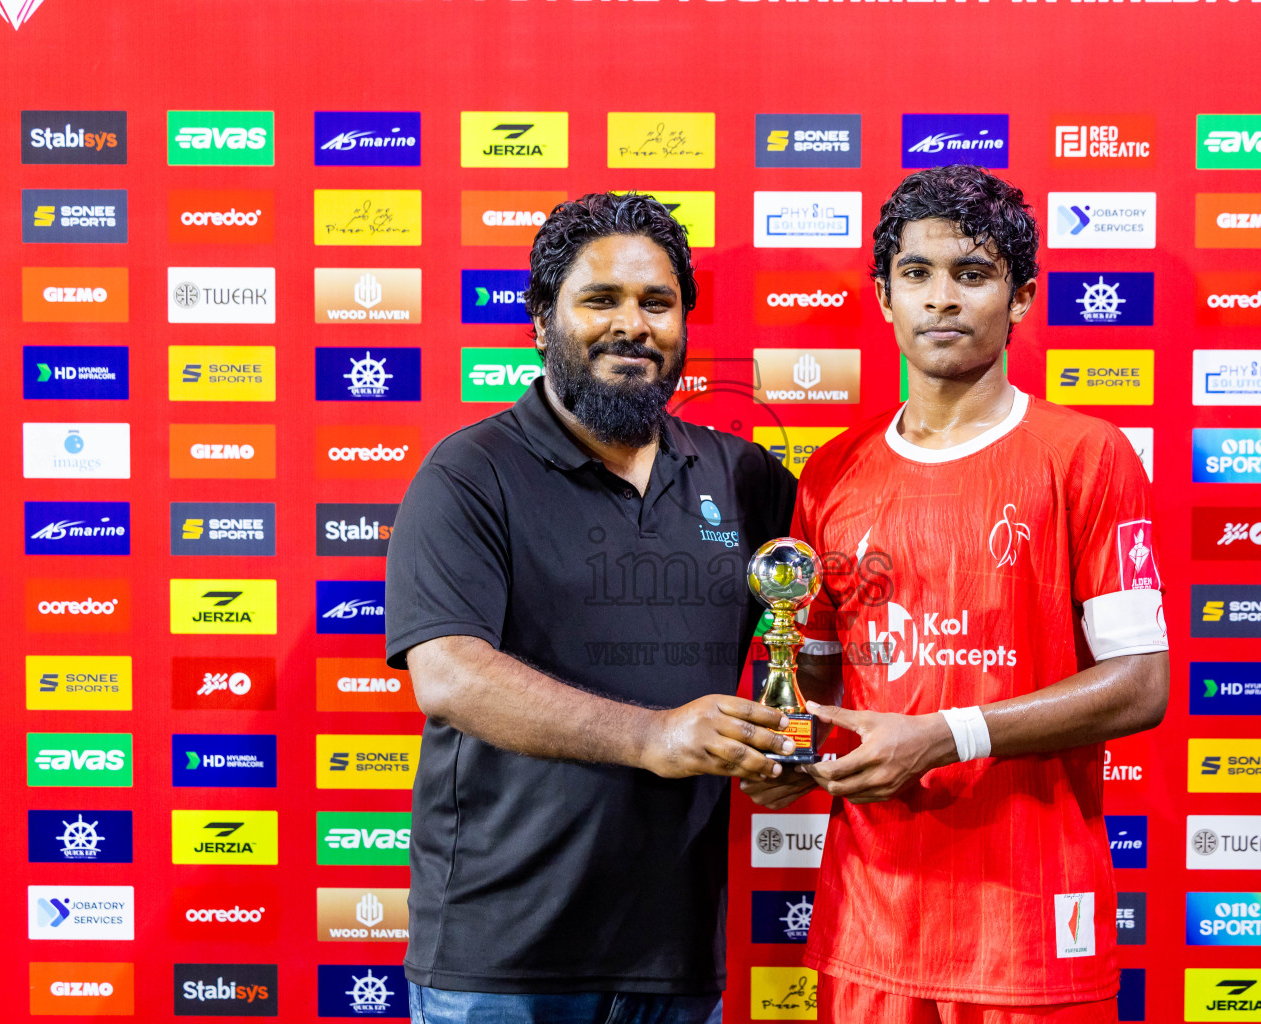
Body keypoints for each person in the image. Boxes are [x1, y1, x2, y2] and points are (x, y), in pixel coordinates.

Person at [742, 165, 1170, 1024]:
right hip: (872, 922)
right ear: (884, 294)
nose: (942, 299)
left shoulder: (1086, 455)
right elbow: (816, 676)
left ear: (1020, 299)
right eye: (918, 274)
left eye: (972, 275)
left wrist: (945, 736)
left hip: (1028, 924)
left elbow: (1141, 684)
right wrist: (786, 752)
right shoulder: (831, 469)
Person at [385, 191, 799, 1024]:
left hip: (675, 955)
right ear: (542, 320)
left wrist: (789, 748)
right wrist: (652, 736)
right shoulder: (470, 473)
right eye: (600, 299)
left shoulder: (744, 478)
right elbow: (450, 676)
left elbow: (818, 638)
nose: (633, 325)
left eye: (658, 302)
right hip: (502, 961)